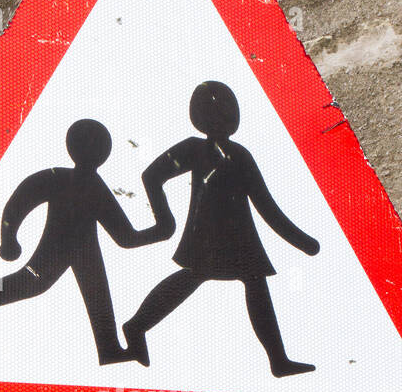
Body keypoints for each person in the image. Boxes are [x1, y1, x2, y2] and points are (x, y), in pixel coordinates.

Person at [122, 81, 320, 376]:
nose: (224, 121)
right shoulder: (196, 149)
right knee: (215, 279)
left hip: (237, 237)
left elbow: (265, 205)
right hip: (210, 235)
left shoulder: (239, 155)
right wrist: (164, 220)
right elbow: (151, 176)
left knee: (245, 282)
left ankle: (278, 361)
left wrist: (301, 240)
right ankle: (136, 326)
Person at [0, 119, 172, 364]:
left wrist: (9, 237)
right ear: (103, 153)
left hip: (84, 250)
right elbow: (22, 199)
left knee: (96, 293)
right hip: (59, 248)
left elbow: (21, 199)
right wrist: (8, 238)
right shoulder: (78, 183)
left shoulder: (69, 180)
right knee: (34, 282)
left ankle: (109, 348)